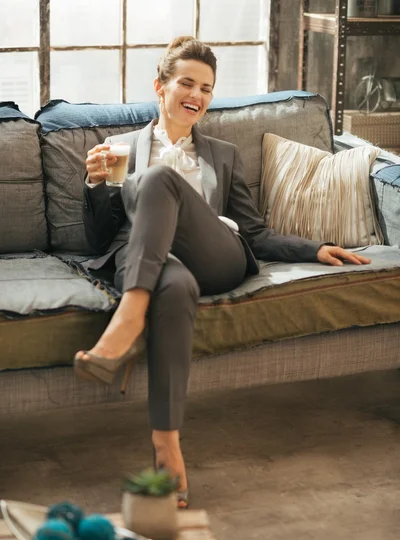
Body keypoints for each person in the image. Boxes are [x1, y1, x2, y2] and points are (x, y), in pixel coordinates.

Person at [74, 36, 371, 508]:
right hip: (149, 262)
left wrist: (313, 249)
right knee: (172, 287)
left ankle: (126, 321)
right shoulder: (116, 149)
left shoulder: (223, 155)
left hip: (216, 255)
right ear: (160, 86)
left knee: (158, 179)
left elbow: (252, 233)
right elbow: (97, 239)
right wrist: (93, 184)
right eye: (186, 83)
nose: (197, 95)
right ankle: (167, 448)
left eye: (207, 88)